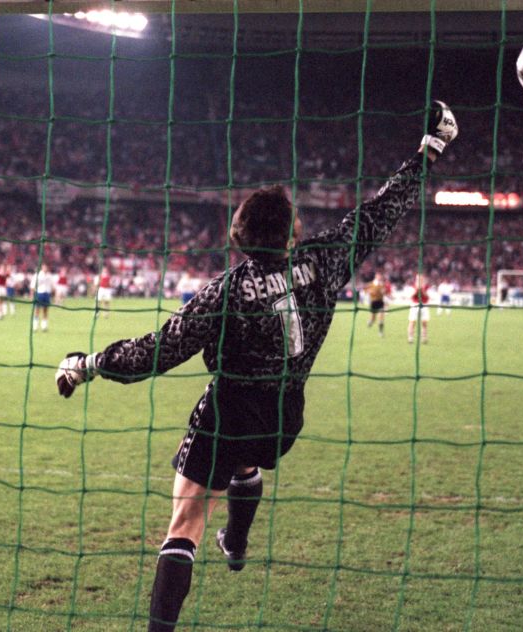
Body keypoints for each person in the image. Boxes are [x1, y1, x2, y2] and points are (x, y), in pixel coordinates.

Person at [55, 101, 457, 632]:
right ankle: (237, 542)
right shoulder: (323, 261)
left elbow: (153, 354)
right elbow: (380, 212)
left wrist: (87, 365)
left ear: (237, 235)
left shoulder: (226, 292)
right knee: (247, 463)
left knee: (185, 521)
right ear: (292, 234)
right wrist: (431, 149)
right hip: (285, 419)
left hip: (227, 412)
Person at [365, 272, 391, 336]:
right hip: (373, 302)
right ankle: (370, 322)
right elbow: (366, 290)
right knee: (373, 319)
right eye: (378, 276)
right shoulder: (371, 284)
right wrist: (369, 291)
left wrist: (385, 292)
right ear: (376, 276)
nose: (379, 277)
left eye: (380, 276)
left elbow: (386, 292)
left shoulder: (383, 284)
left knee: (381, 317)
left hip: (380, 302)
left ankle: (380, 332)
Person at [407, 273, 430, 344]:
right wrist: (417, 290)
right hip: (415, 305)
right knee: (412, 322)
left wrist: (422, 290)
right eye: (418, 279)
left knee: (424, 322)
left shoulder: (427, 287)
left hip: (424, 305)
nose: (420, 280)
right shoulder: (413, 286)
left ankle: (424, 338)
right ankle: (410, 338)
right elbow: (411, 296)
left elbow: (428, 297)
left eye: (421, 279)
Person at [32, 264, 55, 332]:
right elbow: (33, 285)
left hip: (47, 294)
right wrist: (33, 294)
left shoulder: (49, 275)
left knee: (45, 310)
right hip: (39, 293)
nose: (45, 268)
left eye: (46, 267)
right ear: (42, 267)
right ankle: (35, 326)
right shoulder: (38, 275)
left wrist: (53, 294)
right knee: (37, 310)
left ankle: (44, 326)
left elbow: (52, 285)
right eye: (44, 267)